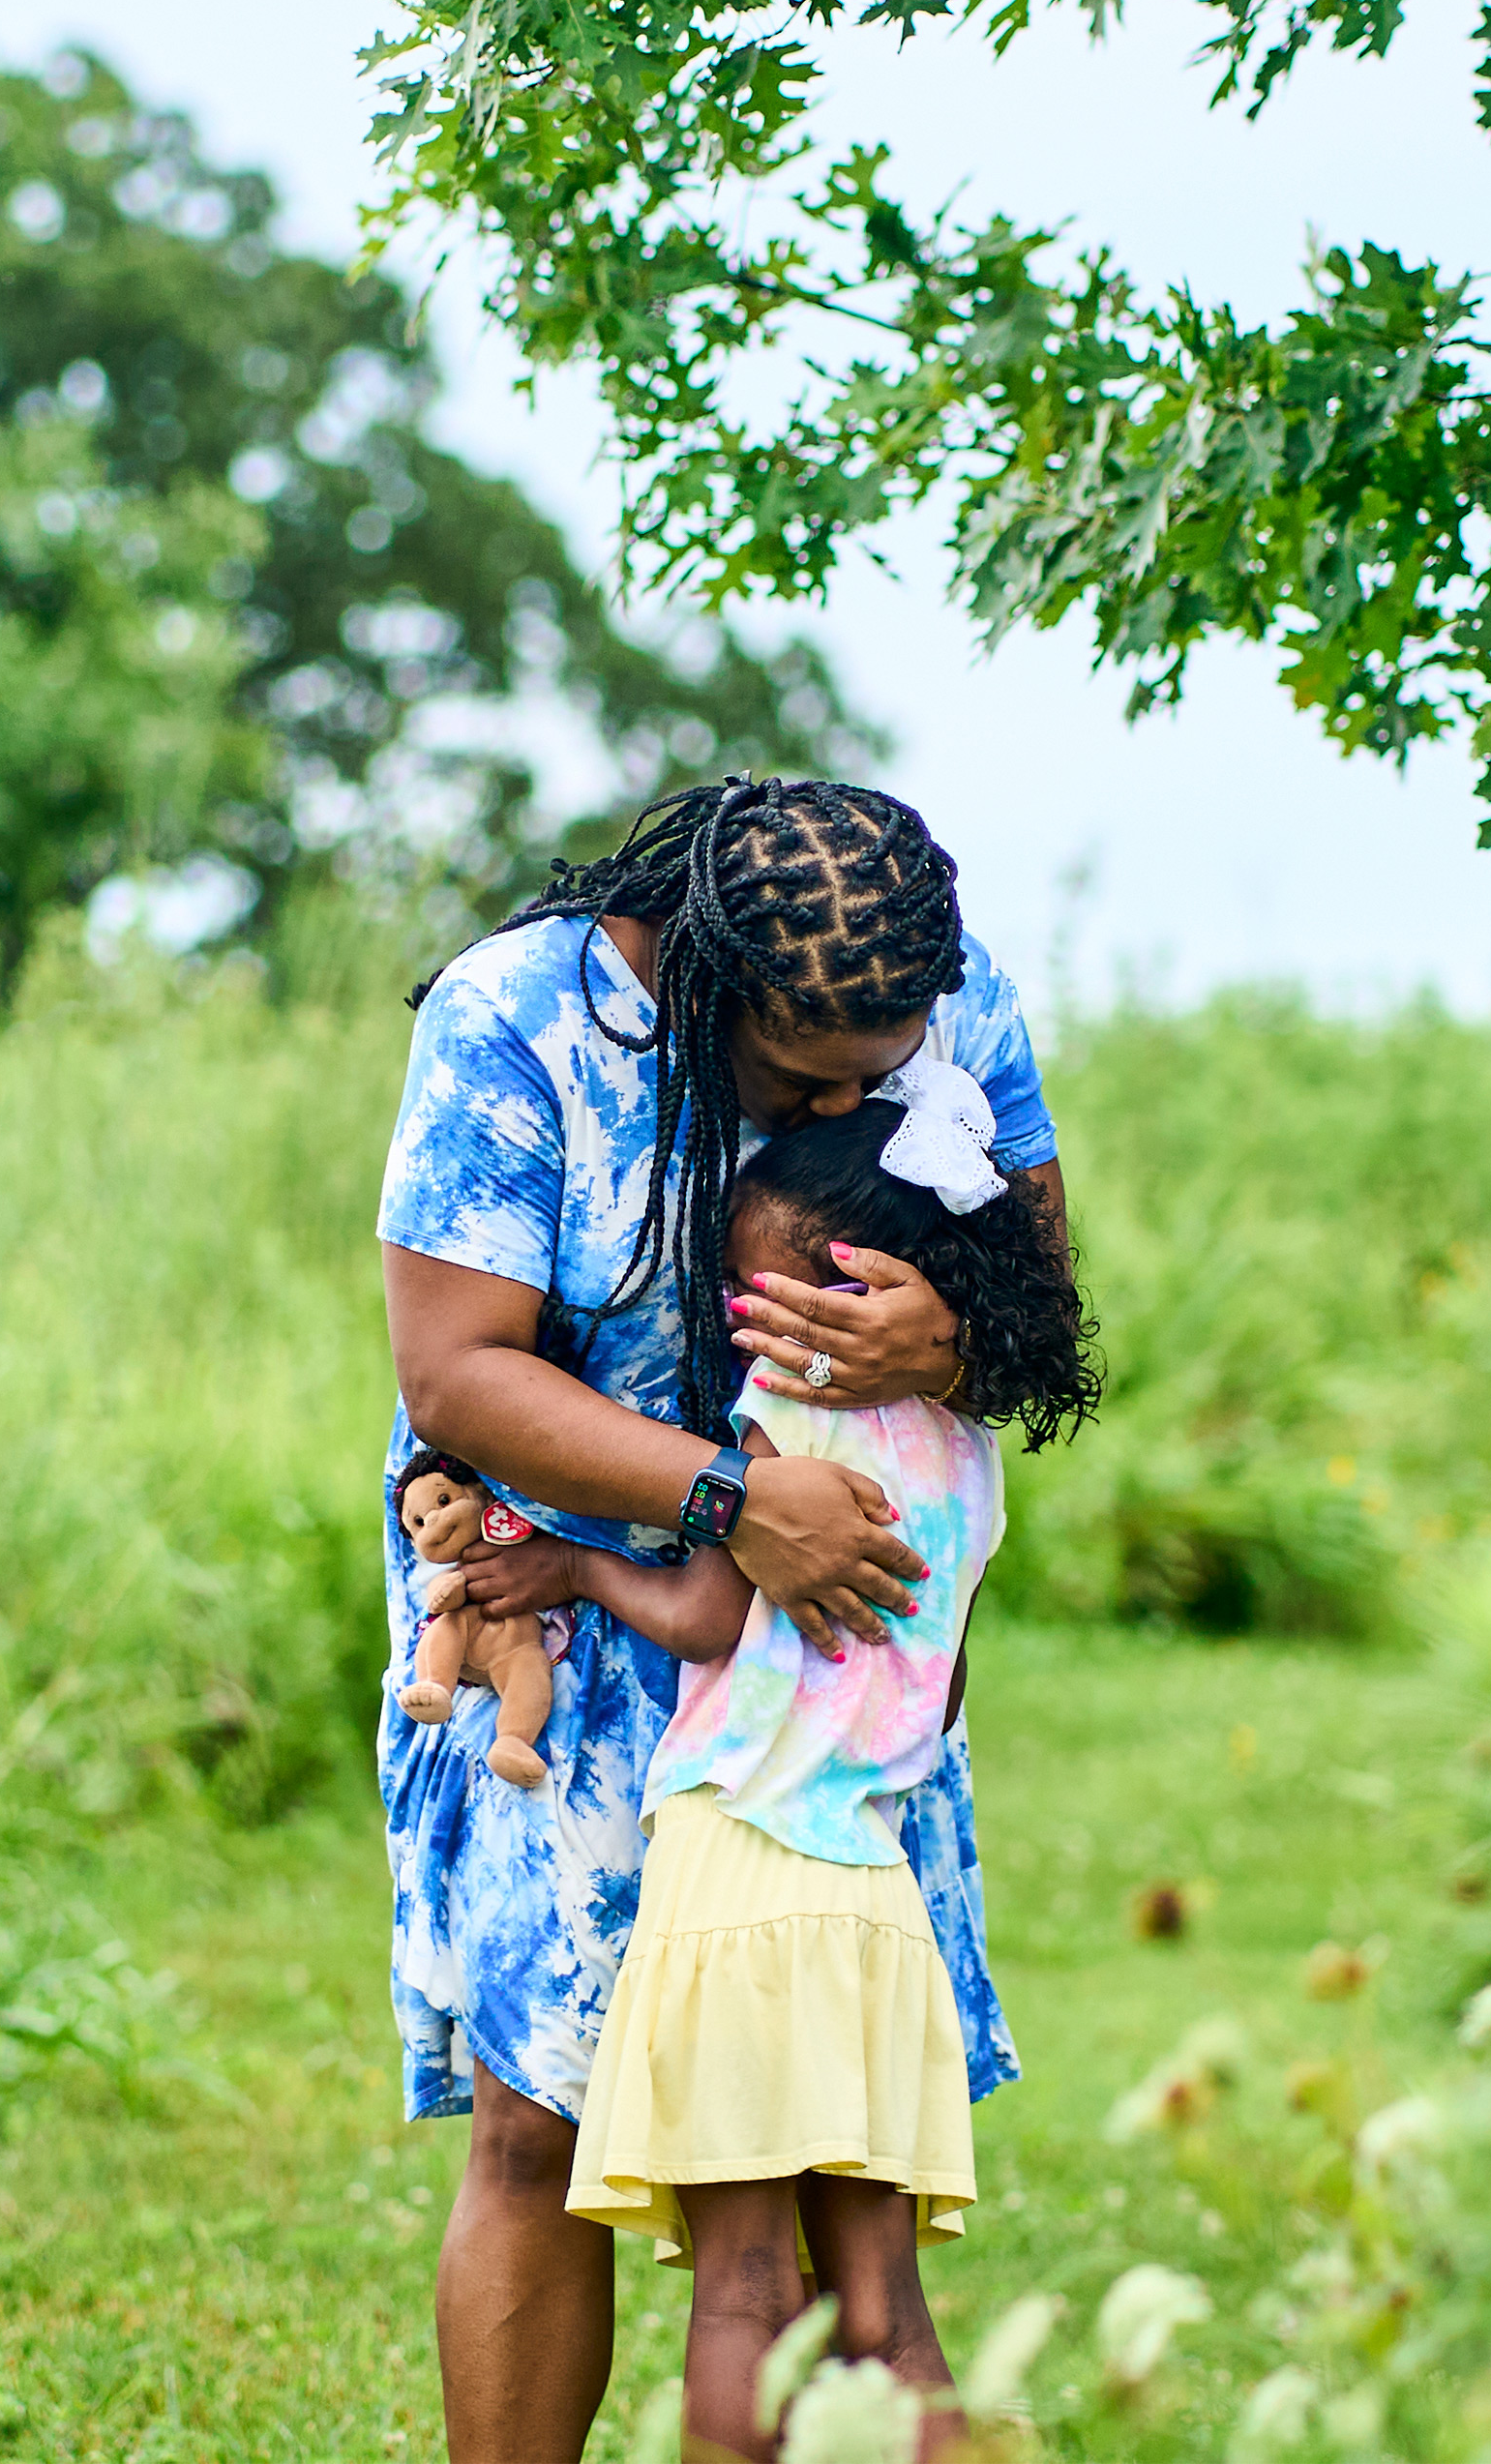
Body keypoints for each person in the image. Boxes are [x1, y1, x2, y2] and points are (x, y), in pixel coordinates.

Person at [375, 775, 1066, 2463]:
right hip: (563, 1575)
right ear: (698, 979)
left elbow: (1040, 1307)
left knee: (828, 2184)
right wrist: (726, 1499)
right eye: (807, 1074)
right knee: (545, 2119)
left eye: (884, 1070)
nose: (853, 1098)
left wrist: (946, 1352)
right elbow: (455, 1368)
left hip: (823, 1652)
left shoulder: (952, 995)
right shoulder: (518, 1019)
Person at [462, 1084, 1100, 2461]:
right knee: (888, 2312)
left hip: (736, 1870)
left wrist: (573, 1562)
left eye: (751, 1286)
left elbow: (701, 1616)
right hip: (872, 1897)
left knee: (748, 2290)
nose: (733, 1315)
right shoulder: (972, 1451)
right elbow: (945, 1684)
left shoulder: (781, 1420)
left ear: (841, 1287)